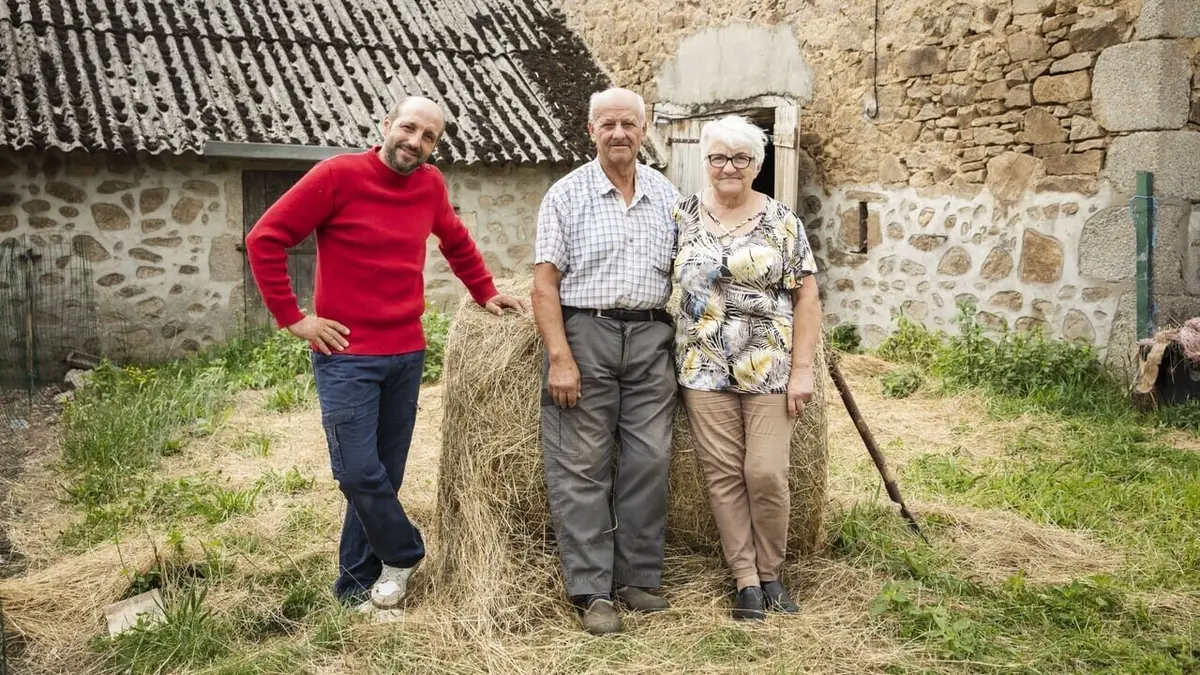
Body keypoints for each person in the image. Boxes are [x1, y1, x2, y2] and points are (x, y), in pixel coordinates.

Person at [246, 96, 528, 611]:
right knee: (356, 472)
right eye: (409, 128)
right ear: (386, 126)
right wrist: (294, 318)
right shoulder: (338, 175)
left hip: (407, 353)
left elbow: (456, 240)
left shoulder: (429, 184)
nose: (416, 142)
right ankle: (406, 550)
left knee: (383, 473)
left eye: (429, 137)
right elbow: (265, 237)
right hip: (347, 355)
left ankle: (356, 587)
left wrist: (484, 290)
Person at [531, 87, 681, 635]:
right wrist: (560, 357)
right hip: (586, 331)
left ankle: (638, 577)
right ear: (590, 131)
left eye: (629, 124)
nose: (619, 133)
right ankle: (593, 591)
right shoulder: (566, 196)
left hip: (649, 338)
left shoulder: (668, 197)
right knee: (582, 463)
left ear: (645, 131)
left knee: (651, 458)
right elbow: (544, 285)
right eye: (607, 124)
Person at [670, 115, 821, 621]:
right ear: (705, 162)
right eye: (718, 157)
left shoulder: (783, 221)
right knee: (721, 476)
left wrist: (803, 370)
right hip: (702, 364)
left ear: (757, 165)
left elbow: (807, 297)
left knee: (765, 473)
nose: (728, 167)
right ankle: (746, 581)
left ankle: (772, 571)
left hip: (769, 367)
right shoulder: (681, 215)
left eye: (740, 158)